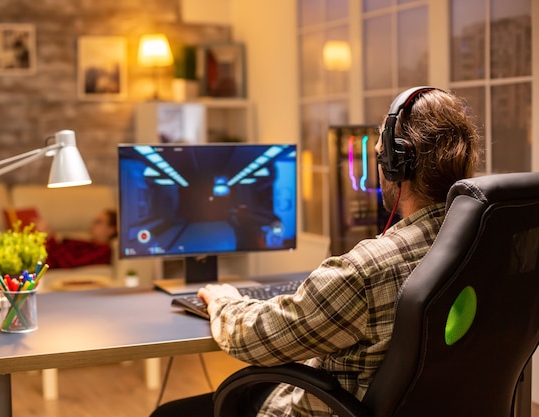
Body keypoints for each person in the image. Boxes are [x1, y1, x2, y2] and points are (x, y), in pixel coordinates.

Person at [149, 87, 480, 417]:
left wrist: (223, 301)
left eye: (380, 156)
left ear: (398, 166)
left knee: (170, 413)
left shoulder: (363, 271)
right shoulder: (482, 245)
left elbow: (257, 338)